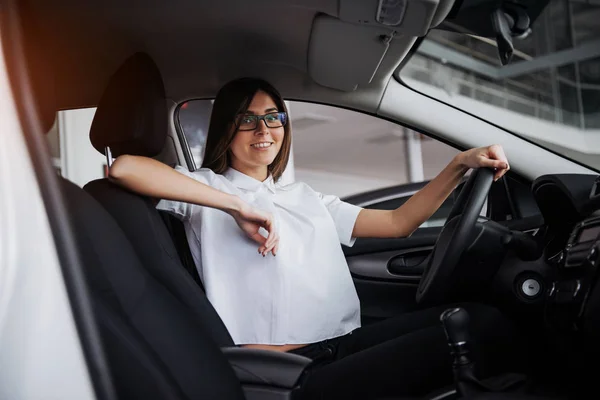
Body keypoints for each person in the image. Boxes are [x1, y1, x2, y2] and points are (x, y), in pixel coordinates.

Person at [109, 77, 519, 398]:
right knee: (483, 330)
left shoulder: (304, 197)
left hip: (342, 344)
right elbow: (125, 168)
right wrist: (234, 206)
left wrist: (460, 164)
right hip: (291, 369)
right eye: (247, 119)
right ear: (226, 129)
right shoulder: (205, 191)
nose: (263, 129)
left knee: (481, 317)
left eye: (274, 117)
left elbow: (399, 223)